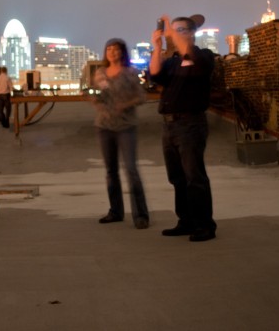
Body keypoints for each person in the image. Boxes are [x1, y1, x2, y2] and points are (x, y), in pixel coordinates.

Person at [149, 14, 217, 242]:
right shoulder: (173, 61)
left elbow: (193, 60)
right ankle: (186, 221)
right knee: (177, 177)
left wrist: (171, 32)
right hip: (169, 125)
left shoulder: (203, 56)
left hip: (191, 124)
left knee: (194, 177)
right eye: (173, 30)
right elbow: (155, 74)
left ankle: (204, 225)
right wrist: (157, 47)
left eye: (179, 30)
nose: (173, 34)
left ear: (191, 33)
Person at [92, 38, 150, 229]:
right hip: (104, 126)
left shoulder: (130, 73)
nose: (112, 52)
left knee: (131, 170)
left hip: (126, 126)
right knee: (111, 171)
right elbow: (95, 94)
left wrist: (124, 105)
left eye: (116, 49)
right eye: (109, 49)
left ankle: (141, 215)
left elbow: (141, 97)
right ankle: (115, 211)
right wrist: (97, 103)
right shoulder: (100, 74)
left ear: (122, 52)